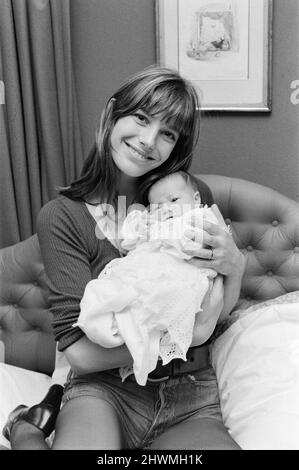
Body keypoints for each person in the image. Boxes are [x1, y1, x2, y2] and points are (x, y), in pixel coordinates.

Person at [2, 66, 245, 450]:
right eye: (141, 118)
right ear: (112, 114)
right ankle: (26, 431)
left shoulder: (188, 199)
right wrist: (182, 336)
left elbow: (214, 308)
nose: (149, 141)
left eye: (167, 133)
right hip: (105, 390)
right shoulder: (63, 217)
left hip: (189, 392)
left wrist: (237, 267)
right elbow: (80, 355)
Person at [75, 171, 226, 386]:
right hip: (148, 268)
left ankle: (140, 330)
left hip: (182, 273)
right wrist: (146, 227)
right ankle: (111, 323)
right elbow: (130, 244)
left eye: (174, 200)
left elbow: (209, 249)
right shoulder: (154, 224)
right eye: (157, 206)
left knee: (164, 298)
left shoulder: (201, 218)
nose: (166, 208)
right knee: (109, 286)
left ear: (195, 199)